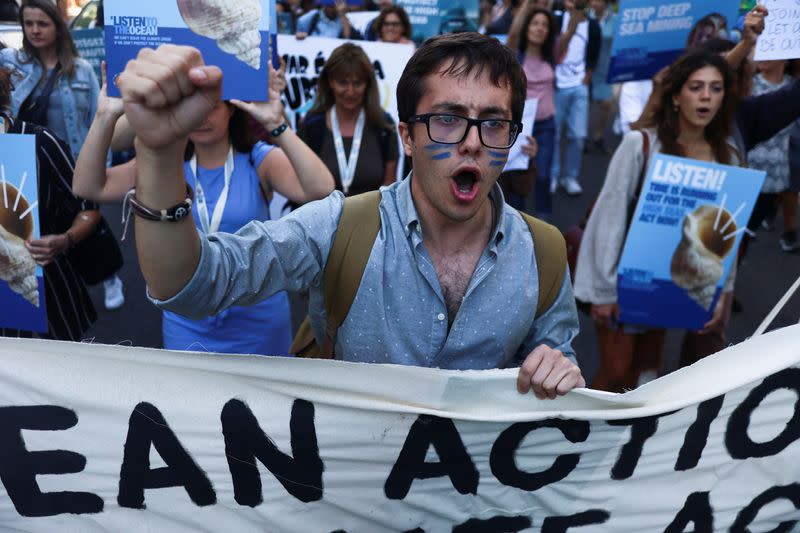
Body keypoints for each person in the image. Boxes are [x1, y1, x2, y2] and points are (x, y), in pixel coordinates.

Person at [115, 34, 585, 399]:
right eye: (447, 118)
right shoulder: (339, 228)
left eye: (494, 123)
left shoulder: (542, 252)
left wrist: (557, 369)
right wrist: (158, 153)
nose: (472, 142)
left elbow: (554, 359)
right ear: (406, 136)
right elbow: (191, 285)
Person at [72, 64, 335, 355]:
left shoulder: (258, 160)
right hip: (189, 320)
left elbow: (320, 187)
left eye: (211, 106)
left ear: (232, 109)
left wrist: (277, 124)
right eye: (191, 107)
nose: (200, 117)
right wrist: (105, 115)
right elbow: (88, 186)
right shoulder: (166, 167)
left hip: (257, 318)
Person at [574, 50, 741, 392]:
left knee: (648, 375)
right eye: (696, 87)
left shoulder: (729, 156)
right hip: (625, 283)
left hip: (677, 283)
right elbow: (609, 219)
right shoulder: (641, 145)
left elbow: (729, 229)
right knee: (616, 376)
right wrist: (604, 291)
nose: (706, 96)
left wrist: (723, 292)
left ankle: (631, 445)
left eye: (716, 88)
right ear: (677, 96)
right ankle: (583, 440)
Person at [0, 0, 125, 311]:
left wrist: (101, 171)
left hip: (71, 160)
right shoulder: (10, 62)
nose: (35, 30)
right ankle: (53, 287)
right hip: (22, 160)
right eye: (28, 24)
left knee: (86, 222)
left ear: (58, 26)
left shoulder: (81, 69)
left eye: (42, 23)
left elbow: (99, 120)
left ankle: (107, 274)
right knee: (34, 233)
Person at [0, 66, 99, 342]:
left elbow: (88, 208)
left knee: (63, 377)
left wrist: (65, 240)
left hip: (48, 300)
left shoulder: (39, 142)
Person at [298, 43, 398, 196]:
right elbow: (300, 182)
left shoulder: (383, 125)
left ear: (367, 84)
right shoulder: (312, 125)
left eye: (357, 83)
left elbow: (389, 186)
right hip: (321, 219)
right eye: (343, 83)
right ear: (330, 81)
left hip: (370, 218)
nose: (350, 91)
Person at [507, 2, 558, 218]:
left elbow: (572, 27)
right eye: (535, 23)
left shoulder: (553, 55)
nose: (539, 28)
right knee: (518, 175)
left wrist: (577, 11)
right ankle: (515, 225)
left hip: (546, 126)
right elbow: (513, 32)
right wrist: (528, 3)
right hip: (521, 127)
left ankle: (543, 224)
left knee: (543, 175)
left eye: (544, 25)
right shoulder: (515, 55)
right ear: (526, 27)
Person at [746, 60, 799, 253]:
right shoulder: (748, 85)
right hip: (745, 172)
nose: (763, 56)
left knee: (748, 232)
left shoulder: (793, 88)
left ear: (785, 58)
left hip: (774, 176)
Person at [550, 0, 601, 196]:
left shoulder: (593, 25)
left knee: (578, 136)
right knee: (554, 134)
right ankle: (553, 174)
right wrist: (570, 27)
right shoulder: (557, 20)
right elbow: (553, 52)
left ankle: (570, 176)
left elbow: (593, 55)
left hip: (579, 86)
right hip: (557, 87)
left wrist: (586, 78)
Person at [587, 0, 615, 154]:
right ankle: (583, 137)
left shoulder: (614, 18)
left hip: (604, 66)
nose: (594, 3)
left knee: (606, 103)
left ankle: (598, 135)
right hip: (588, 66)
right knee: (586, 102)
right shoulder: (586, 17)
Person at [296, 0, 361, 40]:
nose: (333, 9)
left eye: (335, 6)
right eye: (330, 6)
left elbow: (347, 38)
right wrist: (300, 35)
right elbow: (298, 32)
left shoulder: (344, 19)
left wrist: (342, 15)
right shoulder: (312, 16)